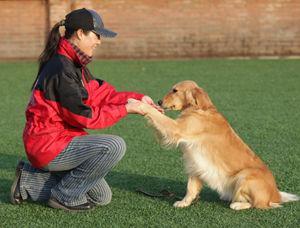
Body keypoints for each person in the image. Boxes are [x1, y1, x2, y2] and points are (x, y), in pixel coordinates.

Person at [10, 8, 161, 212]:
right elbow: (86, 117)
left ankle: (28, 180)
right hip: (47, 144)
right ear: (80, 33)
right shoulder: (61, 69)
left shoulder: (73, 63)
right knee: (114, 145)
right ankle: (63, 197)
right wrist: (127, 109)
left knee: (101, 197)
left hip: (63, 139)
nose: (99, 41)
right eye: (97, 35)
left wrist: (136, 98)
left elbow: (100, 94)